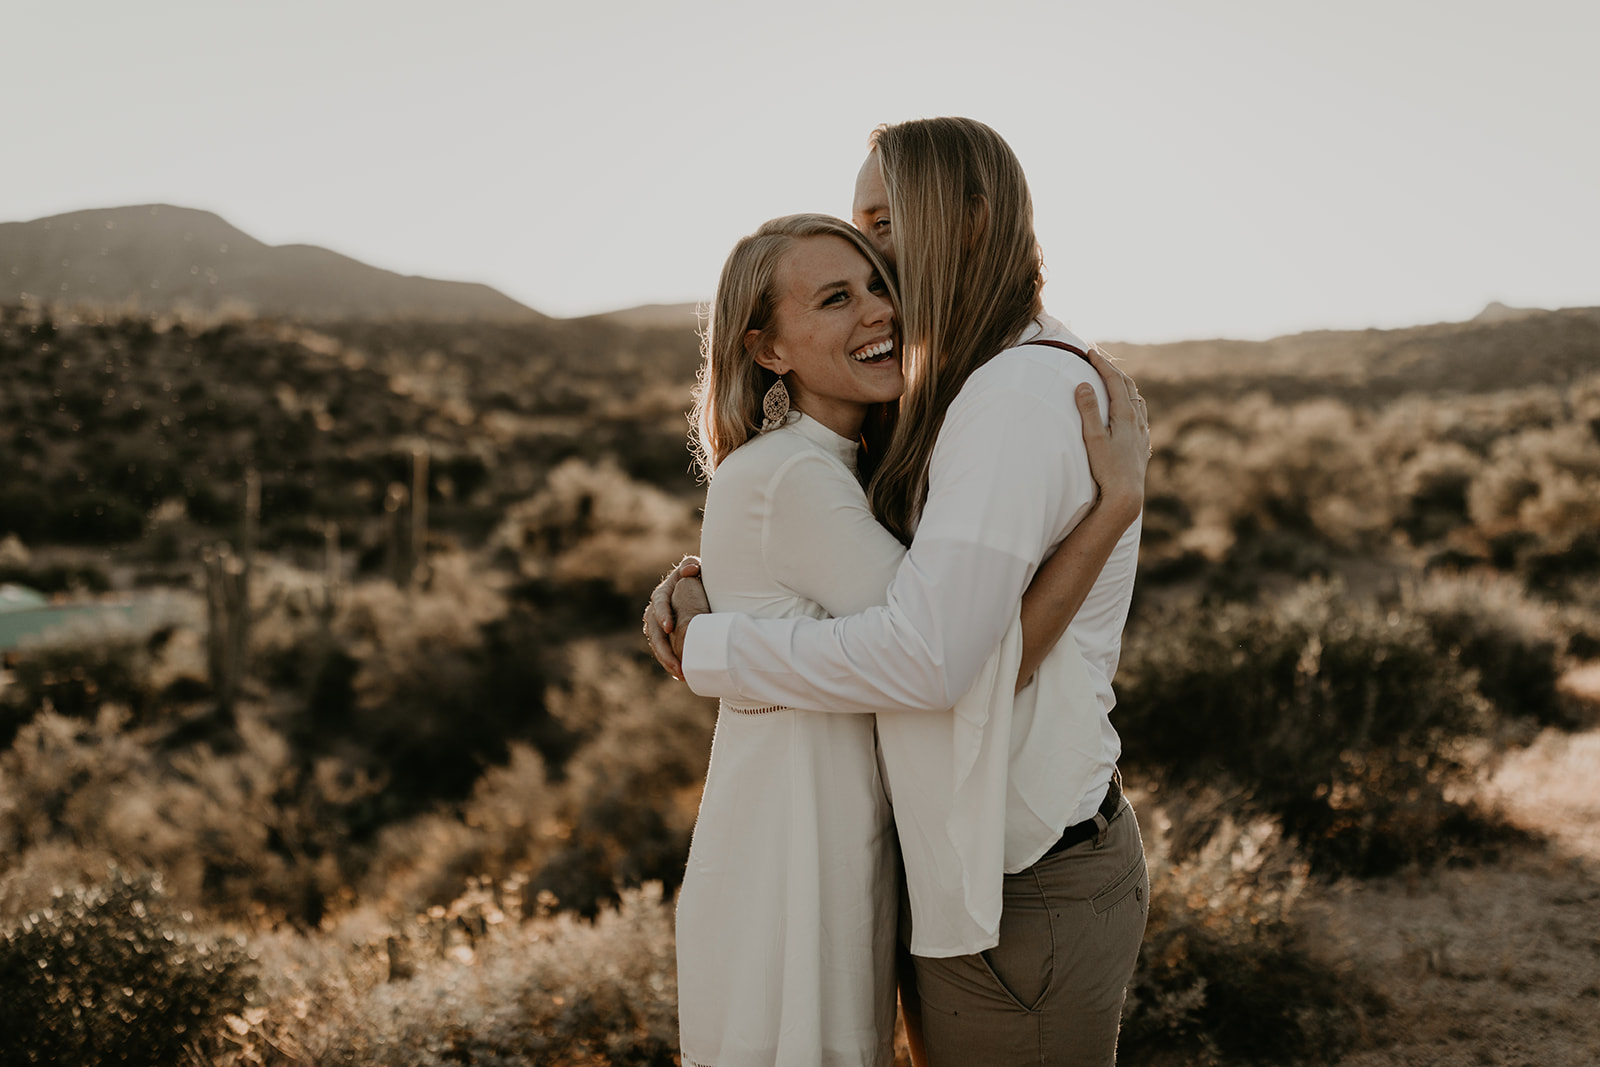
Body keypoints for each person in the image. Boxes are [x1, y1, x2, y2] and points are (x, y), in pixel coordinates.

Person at [653, 118, 1149, 1066]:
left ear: (971, 223)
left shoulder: (1007, 399)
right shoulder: (949, 392)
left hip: (1021, 871)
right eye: (858, 233)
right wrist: (732, 577)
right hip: (959, 861)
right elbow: (864, 563)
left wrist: (715, 646)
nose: (873, 261)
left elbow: (934, 656)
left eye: (885, 227)